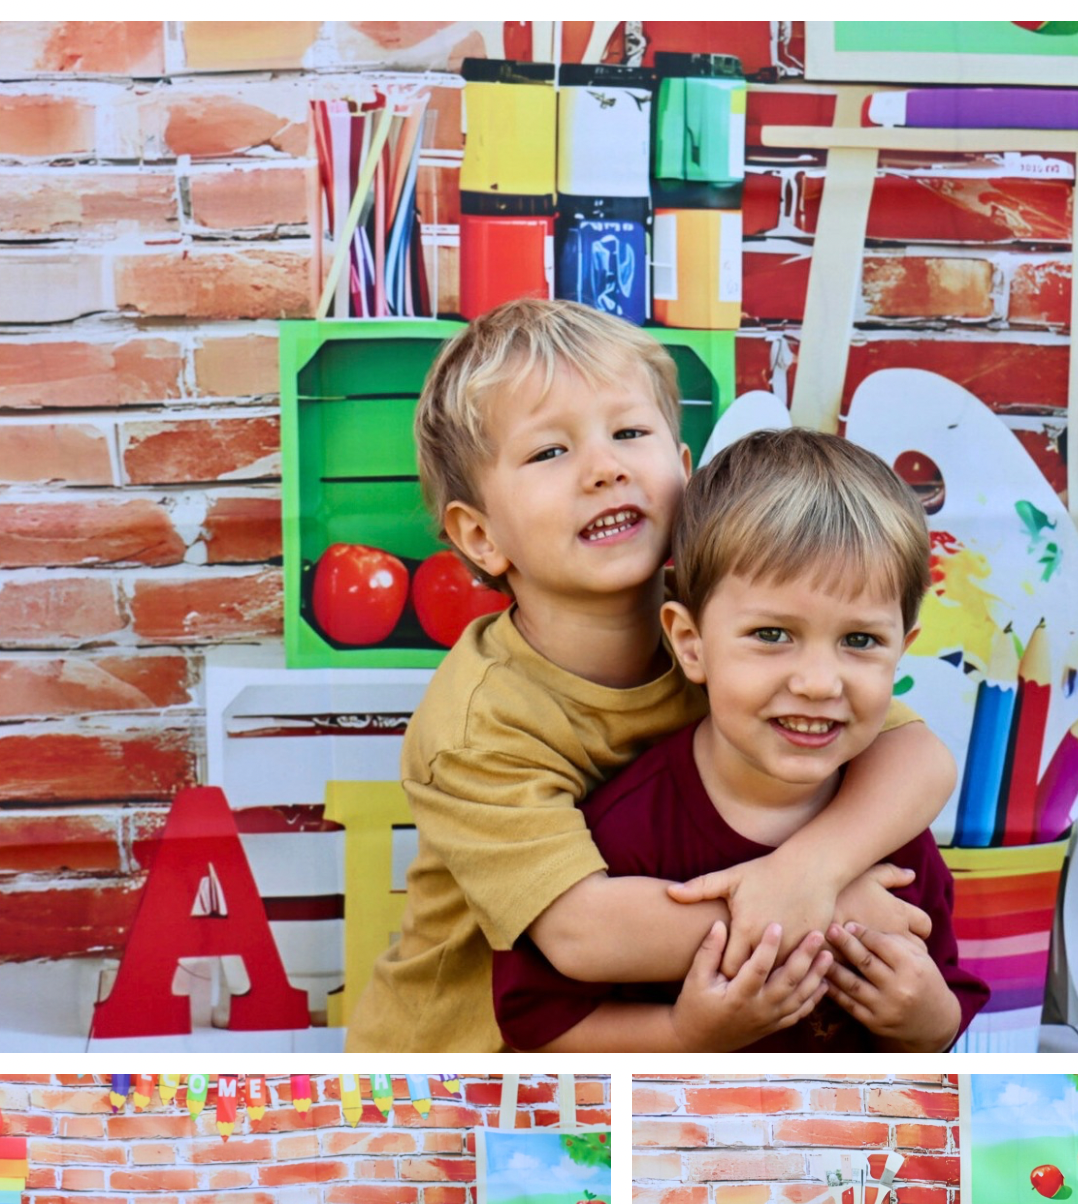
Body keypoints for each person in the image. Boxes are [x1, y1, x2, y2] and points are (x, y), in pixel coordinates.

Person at [345, 298, 956, 1051]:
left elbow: (916, 756)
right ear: (481, 534)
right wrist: (825, 916)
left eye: (630, 433)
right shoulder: (479, 723)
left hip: (673, 1039)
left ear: (685, 472)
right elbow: (583, 935)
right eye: (549, 453)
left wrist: (810, 872)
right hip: (472, 1069)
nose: (605, 469)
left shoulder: (744, 635)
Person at [492, 428, 989, 1050]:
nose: (816, 682)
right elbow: (538, 1027)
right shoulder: (624, 832)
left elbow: (943, 1003)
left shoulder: (890, 831)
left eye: (860, 641)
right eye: (772, 634)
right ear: (691, 643)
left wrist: (926, 1020)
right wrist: (685, 1034)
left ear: (902, 651)